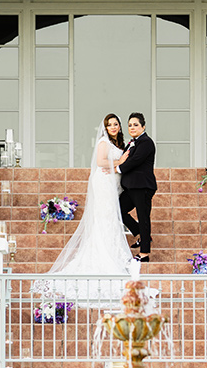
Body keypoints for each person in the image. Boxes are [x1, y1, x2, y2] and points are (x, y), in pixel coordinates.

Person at [33, 114, 135, 303]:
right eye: (109, 125)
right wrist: (120, 162)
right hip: (104, 183)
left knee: (111, 218)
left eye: (115, 124)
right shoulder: (104, 142)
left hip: (113, 185)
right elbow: (101, 162)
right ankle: (103, 254)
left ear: (119, 127)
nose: (113, 127)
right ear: (105, 128)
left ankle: (111, 250)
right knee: (105, 217)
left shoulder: (120, 144)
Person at [118, 112, 157, 262]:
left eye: (136, 125)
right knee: (119, 209)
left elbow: (135, 161)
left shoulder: (146, 142)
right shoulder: (133, 142)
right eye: (130, 125)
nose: (132, 128)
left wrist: (118, 169)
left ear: (143, 126)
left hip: (143, 187)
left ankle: (144, 253)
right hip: (131, 187)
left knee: (143, 217)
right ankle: (141, 233)